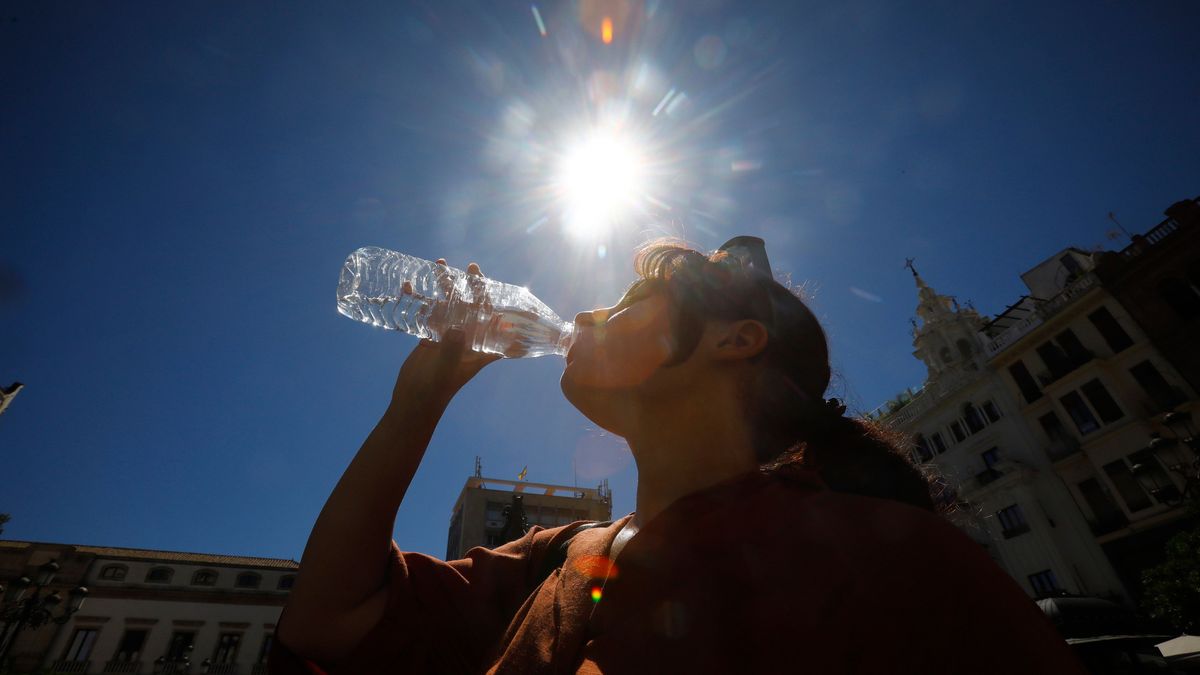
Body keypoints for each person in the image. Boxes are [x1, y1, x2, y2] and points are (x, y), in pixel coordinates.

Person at [270, 238, 1085, 674]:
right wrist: (417, 403)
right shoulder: (565, 558)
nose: (589, 308)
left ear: (736, 340)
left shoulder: (891, 562)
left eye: (630, 301)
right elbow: (327, 619)